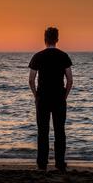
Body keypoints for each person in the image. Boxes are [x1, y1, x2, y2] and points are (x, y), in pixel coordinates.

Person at [29, 27, 73, 172]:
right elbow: (70, 80)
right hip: (59, 98)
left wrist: (36, 96)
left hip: (43, 98)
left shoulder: (38, 56)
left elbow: (31, 80)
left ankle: (42, 163)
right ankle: (60, 163)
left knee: (43, 131)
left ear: (45, 39)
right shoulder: (63, 56)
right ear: (57, 39)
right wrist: (64, 96)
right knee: (60, 131)